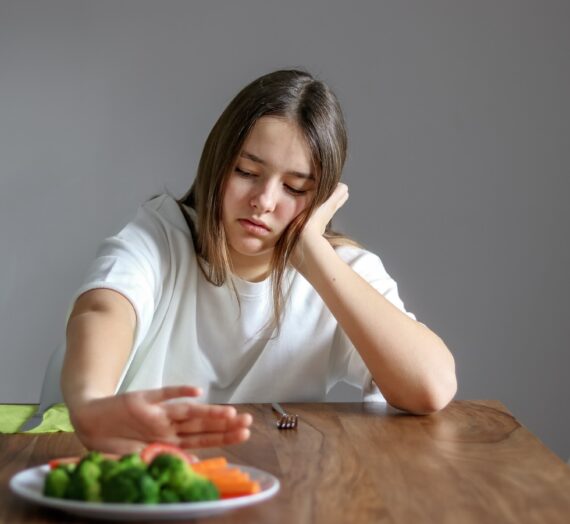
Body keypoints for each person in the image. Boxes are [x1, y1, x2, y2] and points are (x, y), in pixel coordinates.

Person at [60, 69, 457, 454]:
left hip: (278, 489)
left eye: (294, 187)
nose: (264, 201)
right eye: (247, 171)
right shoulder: (160, 234)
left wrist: (313, 255)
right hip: (144, 470)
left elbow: (432, 386)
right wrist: (91, 402)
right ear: (217, 162)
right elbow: (103, 309)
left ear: (321, 197)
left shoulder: (338, 269)